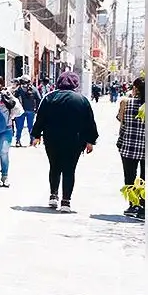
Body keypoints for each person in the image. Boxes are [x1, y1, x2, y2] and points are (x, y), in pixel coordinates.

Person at [31, 72, 99, 213]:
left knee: (54, 167)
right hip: (74, 141)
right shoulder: (81, 100)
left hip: (52, 139)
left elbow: (40, 118)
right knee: (69, 170)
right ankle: (66, 202)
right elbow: (89, 122)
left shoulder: (49, 98)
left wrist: (36, 135)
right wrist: (90, 140)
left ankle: (53, 196)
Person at [117, 76, 146, 220]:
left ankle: (133, 205)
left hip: (129, 146)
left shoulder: (126, 103)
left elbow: (120, 121)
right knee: (146, 177)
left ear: (135, 89)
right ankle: (144, 207)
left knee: (130, 177)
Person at [13, 76, 41, 147]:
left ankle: (20, 141)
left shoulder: (19, 90)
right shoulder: (19, 90)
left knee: (23, 127)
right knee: (26, 127)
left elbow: (38, 99)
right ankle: (23, 141)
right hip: (24, 111)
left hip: (26, 111)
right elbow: (39, 99)